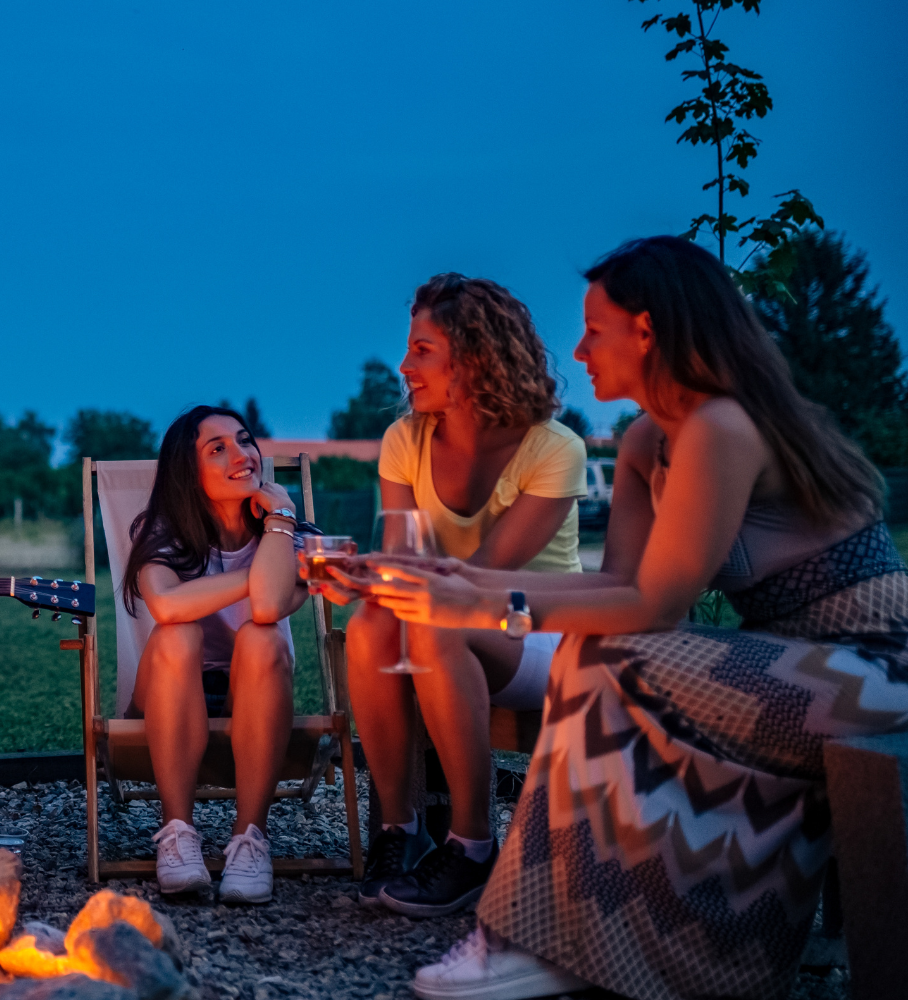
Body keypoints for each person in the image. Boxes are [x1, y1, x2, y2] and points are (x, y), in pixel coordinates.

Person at [356, 237, 908, 1000]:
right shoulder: (651, 436)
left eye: (594, 329)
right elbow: (619, 580)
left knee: (608, 654)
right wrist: (463, 579)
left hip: (877, 669)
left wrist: (483, 602)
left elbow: (658, 605)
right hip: (790, 666)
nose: (577, 349)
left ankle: (528, 934)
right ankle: (568, 934)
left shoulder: (720, 425)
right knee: (595, 645)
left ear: (646, 332)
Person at [315, 274, 587, 918]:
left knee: (433, 620)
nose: (405, 366)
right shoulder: (405, 441)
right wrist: (363, 578)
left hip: (541, 631)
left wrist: (389, 578)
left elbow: (490, 575)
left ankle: (472, 845)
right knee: (374, 623)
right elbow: (407, 560)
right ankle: (401, 832)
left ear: (474, 356)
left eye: (422, 350)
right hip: (440, 623)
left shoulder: (554, 449)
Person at [123, 405, 311, 904]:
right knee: (176, 634)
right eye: (218, 448)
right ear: (189, 470)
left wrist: (281, 521)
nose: (242, 454)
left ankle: (250, 839)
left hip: (255, 692)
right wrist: (256, 574)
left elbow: (270, 605)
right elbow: (165, 604)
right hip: (171, 691)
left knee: (262, 635)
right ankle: (177, 834)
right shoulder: (158, 530)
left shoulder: (288, 532)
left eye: (245, 441)